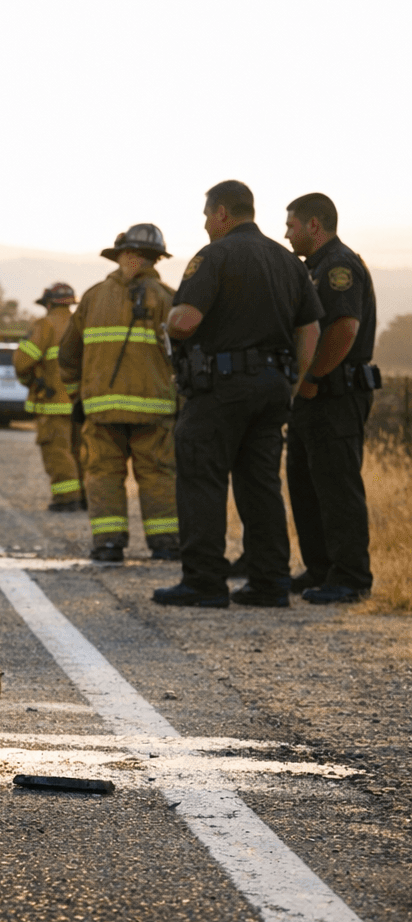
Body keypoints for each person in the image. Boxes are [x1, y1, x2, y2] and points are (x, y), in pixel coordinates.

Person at [154, 180, 322, 608]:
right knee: (261, 485)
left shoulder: (215, 256)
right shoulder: (288, 261)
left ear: (222, 213)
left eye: (207, 216)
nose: (205, 225)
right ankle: (270, 583)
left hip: (220, 389)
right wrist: (292, 384)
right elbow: (310, 331)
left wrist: (168, 323)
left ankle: (204, 583)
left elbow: (186, 321)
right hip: (273, 388)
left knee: (202, 477)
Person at [58, 225, 179, 562]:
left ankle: (108, 544)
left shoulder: (93, 298)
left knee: (103, 474)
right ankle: (166, 543)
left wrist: (78, 397)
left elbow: (67, 355)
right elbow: (183, 357)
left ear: (122, 255)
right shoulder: (169, 299)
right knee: (158, 474)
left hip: (101, 411)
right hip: (156, 410)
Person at [283, 192, 380, 603]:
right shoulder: (314, 268)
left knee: (337, 485)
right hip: (315, 395)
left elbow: (344, 327)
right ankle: (322, 568)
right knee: (306, 481)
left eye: (291, 225)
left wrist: (312, 378)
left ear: (314, 225)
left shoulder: (339, 266)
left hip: (335, 392)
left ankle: (351, 577)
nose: (286, 234)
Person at [15, 283, 83, 512]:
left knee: (57, 451)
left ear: (49, 304)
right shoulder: (83, 323)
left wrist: (30, 381)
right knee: (82, 450)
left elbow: (22, 363)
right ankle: (85, 496)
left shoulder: (45, 325)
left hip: (54, 403)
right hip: (82, 402)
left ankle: (67, 498)